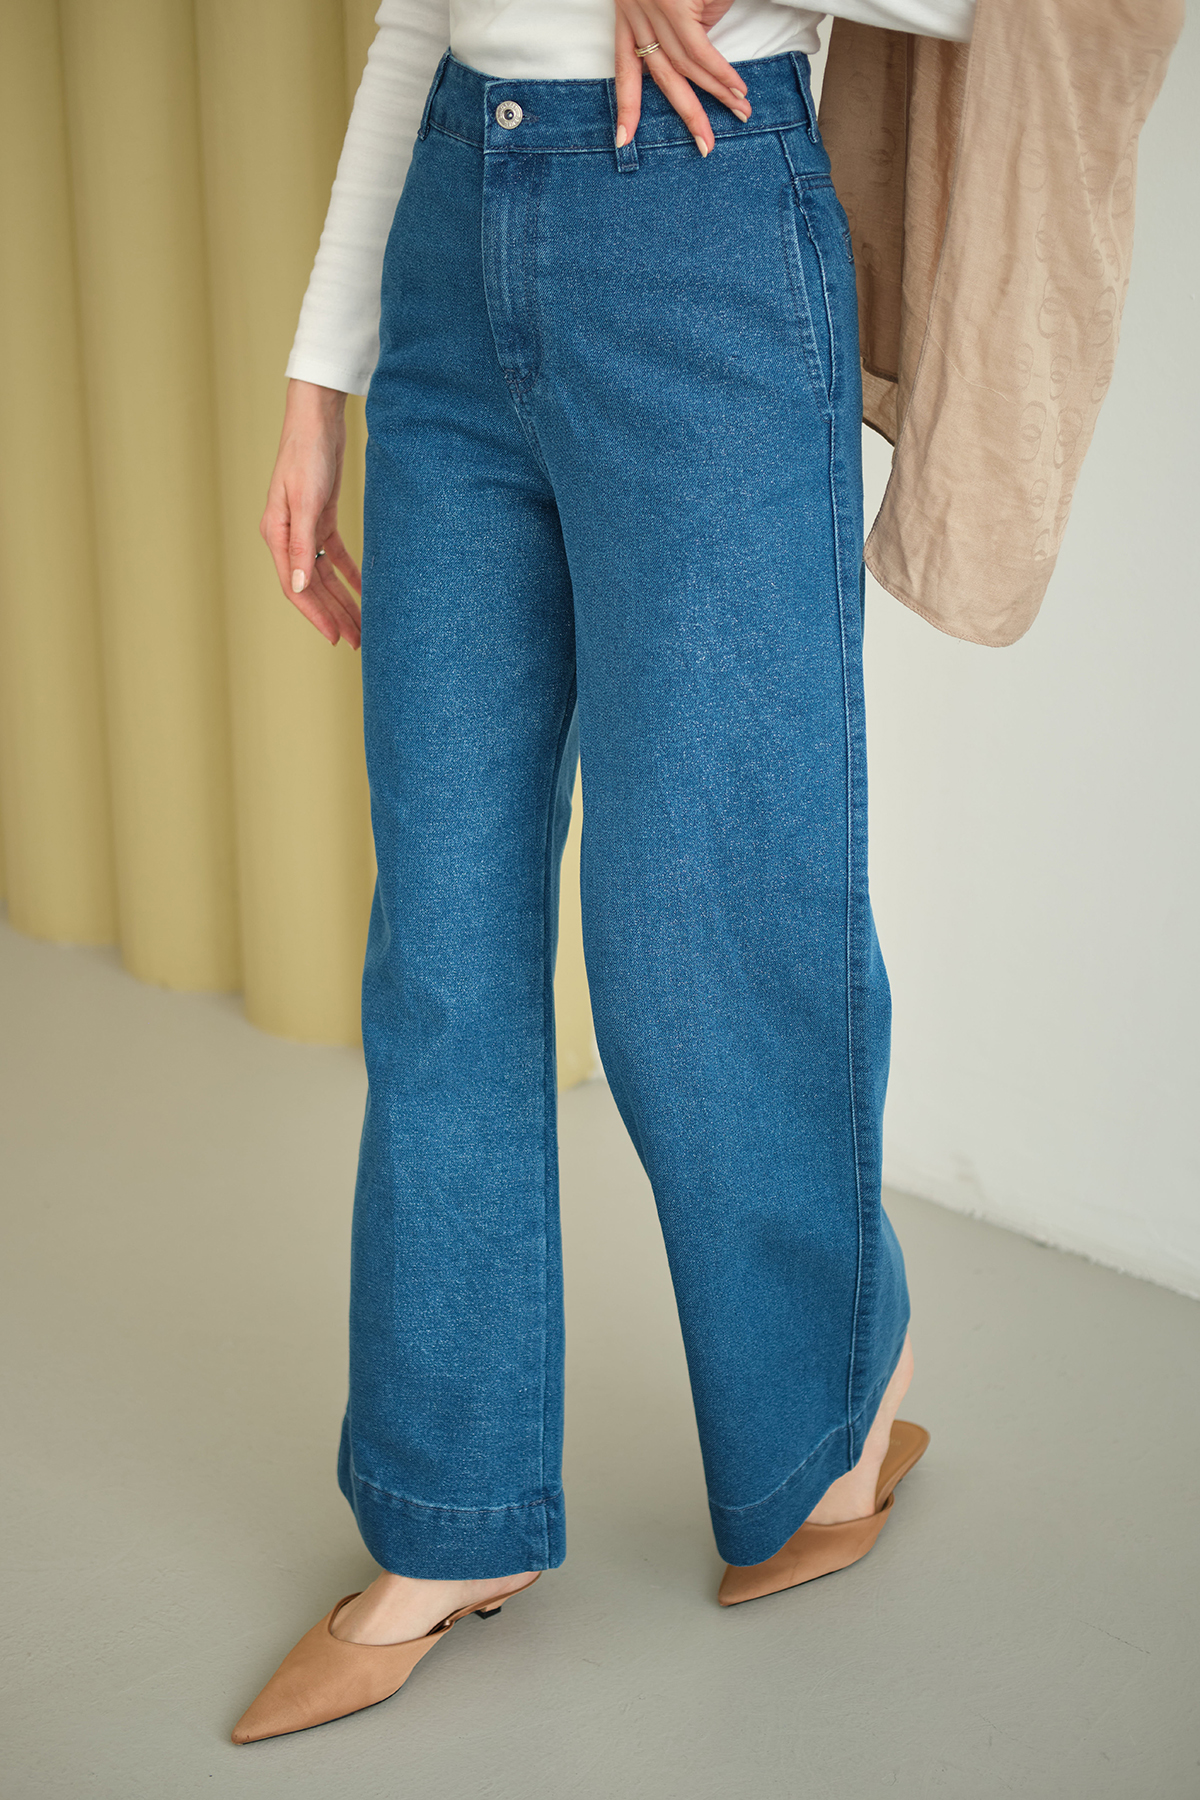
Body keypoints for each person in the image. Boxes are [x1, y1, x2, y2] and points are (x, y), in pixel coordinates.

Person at [232, 0, 991, 1746]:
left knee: (702, 927)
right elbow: (415, 26)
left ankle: (829, 1415)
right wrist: (316, 380)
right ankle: (449, 1521)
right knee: (442, 947)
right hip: (450, 248)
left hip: (703, 240)